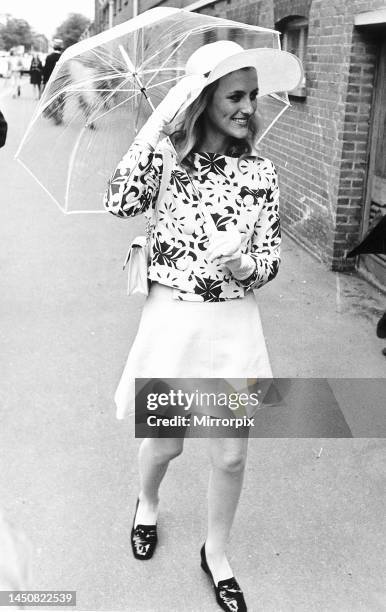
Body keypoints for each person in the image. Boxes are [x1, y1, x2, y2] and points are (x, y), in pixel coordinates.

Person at [104, 41, 302, 612]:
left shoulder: (260, 173)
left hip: (234, 327)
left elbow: (270, 258)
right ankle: (146, 503)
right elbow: (119, 201)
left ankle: (216, 553)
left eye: (252, 96)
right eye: (234, 95)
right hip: (173, 323)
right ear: (203, 98)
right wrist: (159, 123)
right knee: (164, 446)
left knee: (232, 456)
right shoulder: (168, 159)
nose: (247, 107)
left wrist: (245, 265)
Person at [43, 40, 64, 124]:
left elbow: (46, 70)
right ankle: (60, 113)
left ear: (54, 47)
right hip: (62, 81)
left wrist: (44, 81)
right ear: (61, 48)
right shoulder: (63, 57)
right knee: (61, 99)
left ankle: (55, 114)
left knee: (52, 98)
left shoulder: (49, 57)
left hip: (52, 82)